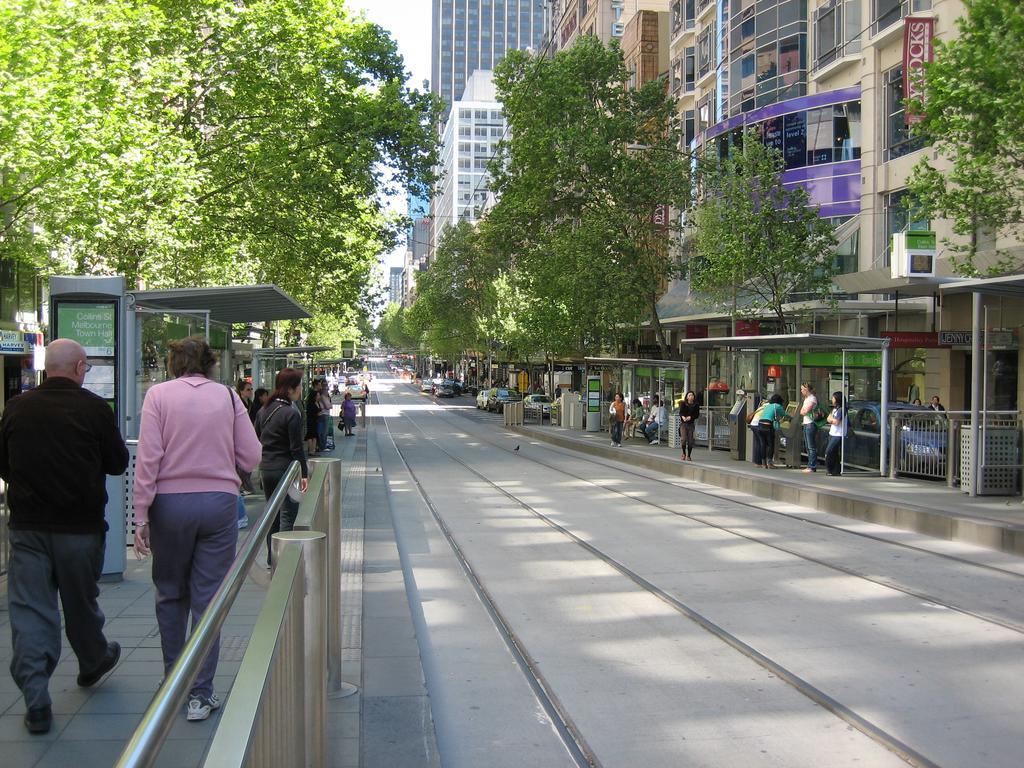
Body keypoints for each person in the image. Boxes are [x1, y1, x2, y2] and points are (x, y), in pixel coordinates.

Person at [0, 339, 129, 735]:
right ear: (78, 367)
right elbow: (117, 462)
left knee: (30, 610)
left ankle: (37, 698)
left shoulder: (17, 408)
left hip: (28, 527)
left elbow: (3, 464)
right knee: (80, 601)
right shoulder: (93, 408)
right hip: (80, 527)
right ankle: (93, 659)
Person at [133, 337, 261, 723]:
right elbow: (252, 455)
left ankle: (174, 682)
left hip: (169, 506)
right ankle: (200, 695)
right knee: (208, 598)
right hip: (218, 503)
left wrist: (141, 515)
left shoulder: (158, 396)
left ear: (173, 364)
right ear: (209, 364)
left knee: (170, 594)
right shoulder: (227, 396)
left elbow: (148, 458)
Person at [255, 368, 309, 567]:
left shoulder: (264, 410)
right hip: (285, 471)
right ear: (291, 389)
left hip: (266, 469)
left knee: (272, 514)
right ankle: (284, 559)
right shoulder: (290, 413)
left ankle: (272, 557)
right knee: (288, 513)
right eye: (299, 386)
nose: (301, 390)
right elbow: (296, 448)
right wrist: (304, 473)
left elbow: (256, 437)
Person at [756, 394, 787, 469]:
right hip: (768, 426)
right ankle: (769, 463)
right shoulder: (777, 406)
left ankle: (763, 464)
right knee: (770, 445)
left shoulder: (767, 406)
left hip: (760, 425)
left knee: (763, 444)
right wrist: (793, 417)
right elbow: (785, 415)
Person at [825, 392, 847, 476]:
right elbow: (828, 418)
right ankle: (835, 470)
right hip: (833, 433)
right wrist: (831, 419)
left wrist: (831, 419)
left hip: (838, 434)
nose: (832, 399)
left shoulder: (842, 410)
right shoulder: (835, 409)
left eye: (833, 398)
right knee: (834, 452)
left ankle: (830, 469)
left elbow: (836, 422)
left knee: (829, 451)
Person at [799, 382, 819, 473]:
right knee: (808, 446)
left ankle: (812, 466)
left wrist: (804, 411)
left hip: (811, 423)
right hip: (806, 423)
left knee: (811, 446)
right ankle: (810, 464)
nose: (801, 391)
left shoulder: (812, 399)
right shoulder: (806, 399)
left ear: (807, 389)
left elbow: (804, 411)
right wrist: (803, 411)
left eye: (802, 389)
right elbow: (801, 411)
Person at [678, 391, 699, 461]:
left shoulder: (696, 405)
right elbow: (681, 412)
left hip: (691, 424)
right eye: (689, 395)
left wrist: (691, 417)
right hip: (684, 424)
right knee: (683, 439)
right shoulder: (683, 404)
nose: (691, 396)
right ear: (687, 397)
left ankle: (689, 455)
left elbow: (697, 415)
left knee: (690, 441)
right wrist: (683, 417)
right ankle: (684, 453)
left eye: (692, 395)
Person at [304, 380, 321, 456]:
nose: (319, 397)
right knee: (312, 435)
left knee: (312, 435)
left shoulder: (312, 403)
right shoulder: (314, 404)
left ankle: (311, 450)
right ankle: (312, 450)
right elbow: (316, 412)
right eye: (318, 396)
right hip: (313, 420)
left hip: (312, 420)